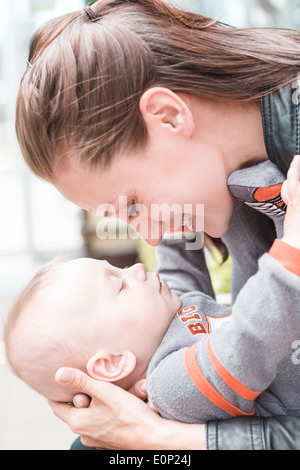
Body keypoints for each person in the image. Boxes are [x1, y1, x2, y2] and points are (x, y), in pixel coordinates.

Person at [14, 0, 300, 450]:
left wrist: (162, 438)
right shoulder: (241, 173)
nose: (147, 237)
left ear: (169, 116)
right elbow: (179, 274)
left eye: (130, 206)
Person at [4, 157, 300, 425]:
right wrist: (292, 247)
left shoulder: (165, 318)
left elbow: (179, 268)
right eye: (120, 285)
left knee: (245, 266)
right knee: (262, 290)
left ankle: (275, 211)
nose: (135, 270)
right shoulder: (169, 389)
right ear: (113, 362)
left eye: (120, 269)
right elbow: (249, 345)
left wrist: (171, 204)